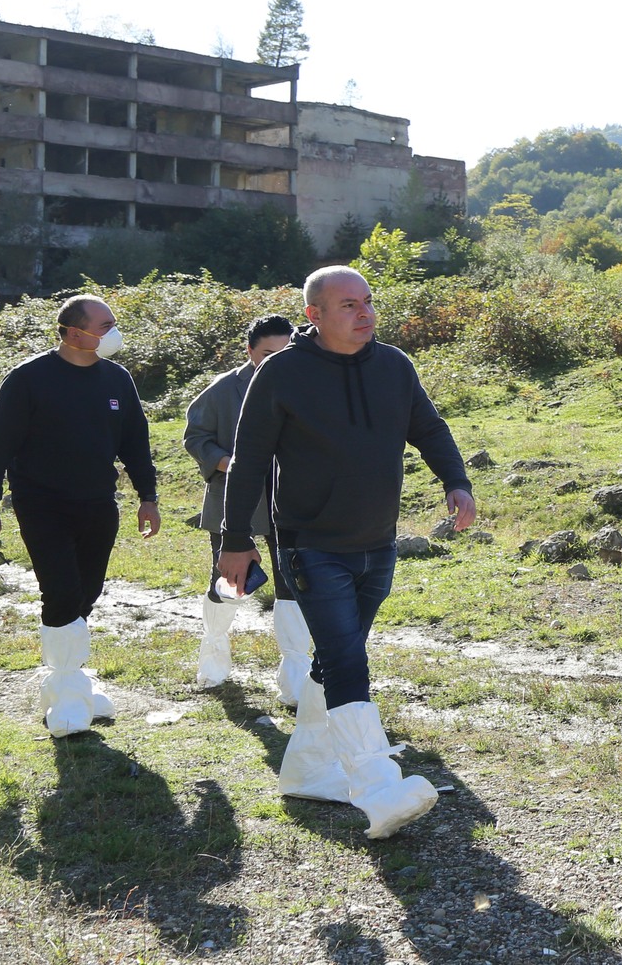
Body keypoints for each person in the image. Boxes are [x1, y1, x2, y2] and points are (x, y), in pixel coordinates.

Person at [215, 267, 474, 840]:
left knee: (338, 656)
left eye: (368, 302)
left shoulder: (394, 366)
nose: (365, 313)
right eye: (349, 305)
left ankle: (307, 771)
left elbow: (429, 429)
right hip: (310, 544)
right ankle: (378, 789)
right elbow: (249, 459)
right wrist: (235, 540)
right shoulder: (282, 373)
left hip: (376, 541)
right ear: (314, 315)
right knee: (347, 660)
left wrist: (456, 481)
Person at [0, 294, 160, 737]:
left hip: (98, 503)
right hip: (42, 504)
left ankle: (69, 682)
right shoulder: (29, 379)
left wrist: (147, 496)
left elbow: (135, 441)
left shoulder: (117, 379)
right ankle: (68, 698)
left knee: (87, 592)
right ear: (75, 332)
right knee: (61, 591)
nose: (114, 333)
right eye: (105, 326)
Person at [184, 313, 301, 696]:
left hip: (291, 500)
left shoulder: (308, 385)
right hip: (233, 501)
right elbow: (195, 437)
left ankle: (295, 676)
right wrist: (230, 464)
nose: (276, 362)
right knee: (229, 581)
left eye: (285, 352)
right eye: (267, 354)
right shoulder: (222, 390)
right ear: (249, 350)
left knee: (293, 582)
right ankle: (214, 659)